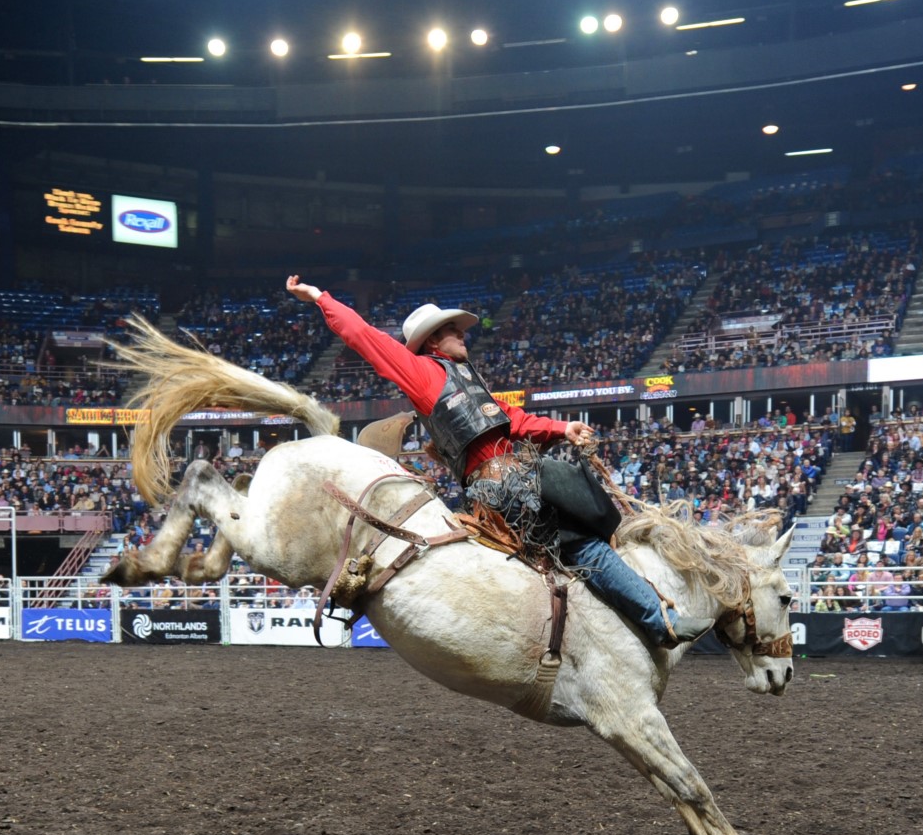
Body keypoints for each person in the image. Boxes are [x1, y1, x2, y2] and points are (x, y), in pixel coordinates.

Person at [286, 275, 713, 648]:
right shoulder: (422, 372)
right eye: (454, 331)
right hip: (503, 489)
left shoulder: (466, 378)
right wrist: (321, 298)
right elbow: (365, 337)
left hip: (512, 481)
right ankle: (660, 622)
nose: (463, 335)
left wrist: (562, 428)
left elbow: (512, 419)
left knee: (589, 528)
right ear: (433, 341)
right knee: (587, 543)